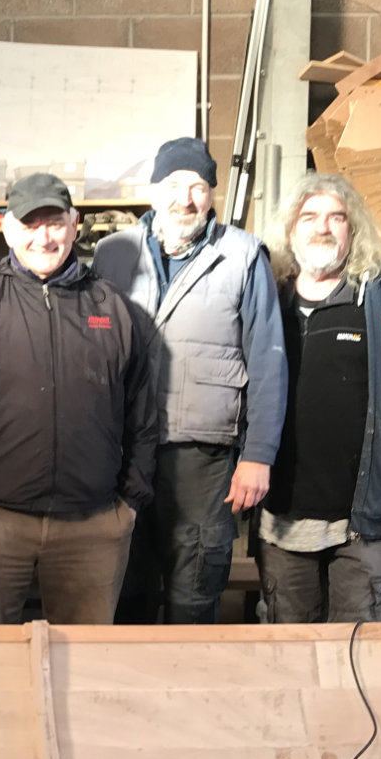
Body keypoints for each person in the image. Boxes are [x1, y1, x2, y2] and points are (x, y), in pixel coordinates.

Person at [0, 172, 159, 626]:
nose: (43, 237)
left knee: (84, 666)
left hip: (92, 526)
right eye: (30, 225)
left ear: (74, 226)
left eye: (54, 223)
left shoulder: (114, 310)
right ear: (8, 229)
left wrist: (128, 503)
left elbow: (142, 417)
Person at [93, 136, 286, 624]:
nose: (185, 199)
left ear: (212, 196)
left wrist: (259, 455)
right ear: (154, 190)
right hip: (121, 450)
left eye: (198, 187)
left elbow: (268, 360)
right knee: (124, 585)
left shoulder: (242, 256)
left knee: (195, 587)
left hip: (204, 455)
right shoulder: (112, 253)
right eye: (175, 185)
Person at [259, 172, 381, 624]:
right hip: (283, 522)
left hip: (366, 524)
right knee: (290, 660)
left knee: (363, 660)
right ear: (290, 230)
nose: (322, 228)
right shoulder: (269, 296)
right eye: (308, 217)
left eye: (336, 217)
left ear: (354, 229)